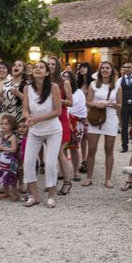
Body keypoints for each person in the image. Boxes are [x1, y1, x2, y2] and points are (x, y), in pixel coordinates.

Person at [22, 61, 63, 208]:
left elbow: (58, 111)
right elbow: (25, 109)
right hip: (35, 131)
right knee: (28, 162)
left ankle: (51, 196)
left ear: (47, 73)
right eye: (35, 68)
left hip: (53, 131)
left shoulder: (53, 87)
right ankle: (33, 196)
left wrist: (37, 119)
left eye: (41, 67)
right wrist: (28, 118)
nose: (37, 69)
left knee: (51, 163)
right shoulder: (27, 88)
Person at [81, 61, 122, 189]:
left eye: (107, 68)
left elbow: (120, 105)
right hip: (95, 118)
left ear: (112, 70)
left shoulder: (117, 86)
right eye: (102, 68)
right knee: (91, 149)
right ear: (99, 71)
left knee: (109, 150)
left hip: (110, 117)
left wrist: (112, 104)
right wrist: (97, 104)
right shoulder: (94, 84)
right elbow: (87, 102)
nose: (105, 70)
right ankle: (89, 178)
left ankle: (108, 179)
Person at [49, 57, 73, 196]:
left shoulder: (65, 83)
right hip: (48, 118)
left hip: (61, 118)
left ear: (58, 66)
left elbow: (70, 102)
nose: (51, 66)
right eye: (49, 64)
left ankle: (67, 182)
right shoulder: (44, 82)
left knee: (59, 152)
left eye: (53, 64)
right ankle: (52, 181)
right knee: (51, 153)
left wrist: (58, 100)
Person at [0, 114, 19, 201]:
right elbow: (0, 146)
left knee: (11, 178)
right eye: (2, 124)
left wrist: (2, 148)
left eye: (6, 124)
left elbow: (14, 149)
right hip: (2, 160)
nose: (3, 126)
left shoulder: (12, 137)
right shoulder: (2, 135)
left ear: (11, 126)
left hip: (10, 161)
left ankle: (15, 194)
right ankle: (6, 192)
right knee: (4, 177)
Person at [67, 72, 86, 181]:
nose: (65, 79)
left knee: (74, 147)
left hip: (76, 122)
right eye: (63, 76)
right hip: (63, 121)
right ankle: (62, 170)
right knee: (61, 148)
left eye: (68, 77)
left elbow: (82, 109)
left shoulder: (79, 92)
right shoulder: (59, 91)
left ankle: (76, 171)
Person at [76, 62, 94, 174]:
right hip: (79, 112)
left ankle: (89, 159)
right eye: (80, 68)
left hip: (90, 112)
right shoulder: (78, 83)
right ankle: (83, 160)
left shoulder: (93, 82)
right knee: (81, 137)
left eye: (84, 67)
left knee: (90, 136)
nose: (82, 69)